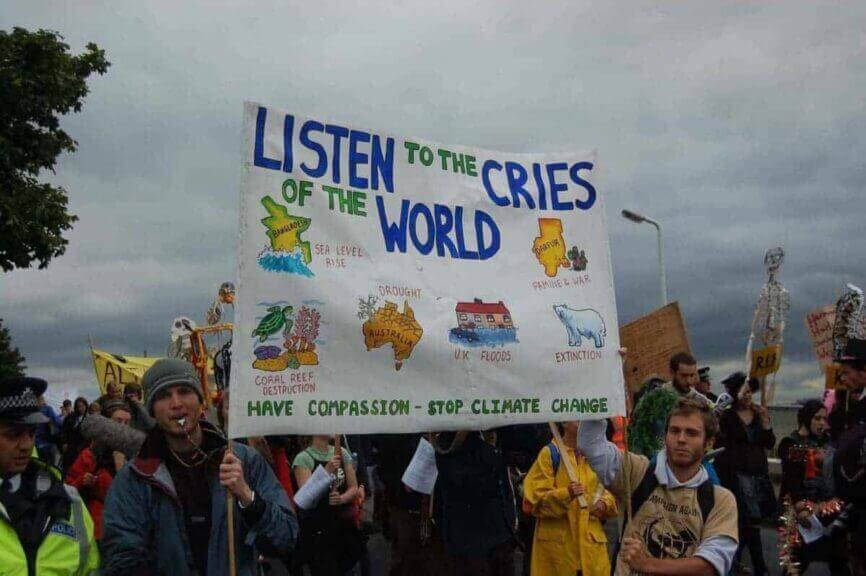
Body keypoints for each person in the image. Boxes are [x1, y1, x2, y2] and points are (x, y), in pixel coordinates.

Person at [101, 358, 297, 575]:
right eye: (164, 396)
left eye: (184, 391)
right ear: (152, 410)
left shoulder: (244, 461)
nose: (176, 403)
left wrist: (248, 498)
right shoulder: (135, 478)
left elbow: (286, 538)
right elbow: (121, 560)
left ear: (200, 400)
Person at [579, 397, 738, 576]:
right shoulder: (637, 472)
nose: (681, 439)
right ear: (665, 436)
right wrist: (597, 391)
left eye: (692, 433)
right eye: (674, 431)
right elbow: (591, 445)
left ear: (709, 443)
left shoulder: (721, 500)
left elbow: (710, 565)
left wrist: (647, 564)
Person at [0, 376, 99, 574]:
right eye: (13, 435)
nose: (27, 445)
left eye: (31, 433)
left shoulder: (69, 501)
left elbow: (90, 568)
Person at [522, 421, 618, 576]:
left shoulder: (597, 456)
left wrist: (604, 504)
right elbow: (533, 501)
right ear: (564, 422)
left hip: (591, 556)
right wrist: (566, 494)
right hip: (558, 558)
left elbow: (612, 491)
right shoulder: (550, 454)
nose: (584, 421)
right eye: (578, 416)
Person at [714, 372, 776, 576]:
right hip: (737, 473)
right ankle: (758, 565)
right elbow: (720, 442)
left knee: (750, 520)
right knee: (750, 518)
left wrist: (766, 423)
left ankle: (736, 562)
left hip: (757, 472)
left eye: (750, 392)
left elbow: (769, 442)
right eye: (744, 392)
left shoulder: (759, 414)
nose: (748, 396)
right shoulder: (728, 416)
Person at [432, 430, 517, 576]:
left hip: (472, 540)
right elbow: (484, 485)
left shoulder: (444, 446)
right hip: (481, 542)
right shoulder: (470, 447)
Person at [292, 434, 364, 575]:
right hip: (319, 532)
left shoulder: (341, 452)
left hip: (343, 527)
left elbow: (353, 488)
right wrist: (327, 471)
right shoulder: (303, 458)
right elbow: (305, 499)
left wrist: (341, 498)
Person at [65, 398, 132, 541]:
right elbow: (68, 488)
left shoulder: (137, 454)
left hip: (130, 529)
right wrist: (82, 481)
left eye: (127, 423)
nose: (123, 427)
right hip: (100, 529)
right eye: (118, 421)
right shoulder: (89, 455)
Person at [60, 396, 90, 471]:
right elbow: (64, 430)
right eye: (78, 407)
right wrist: (64, 442)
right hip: (70, 445)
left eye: (82, 406)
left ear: (86, 406)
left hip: (81, 446)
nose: (80, 408)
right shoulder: (71, 416)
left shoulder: (89, 418)